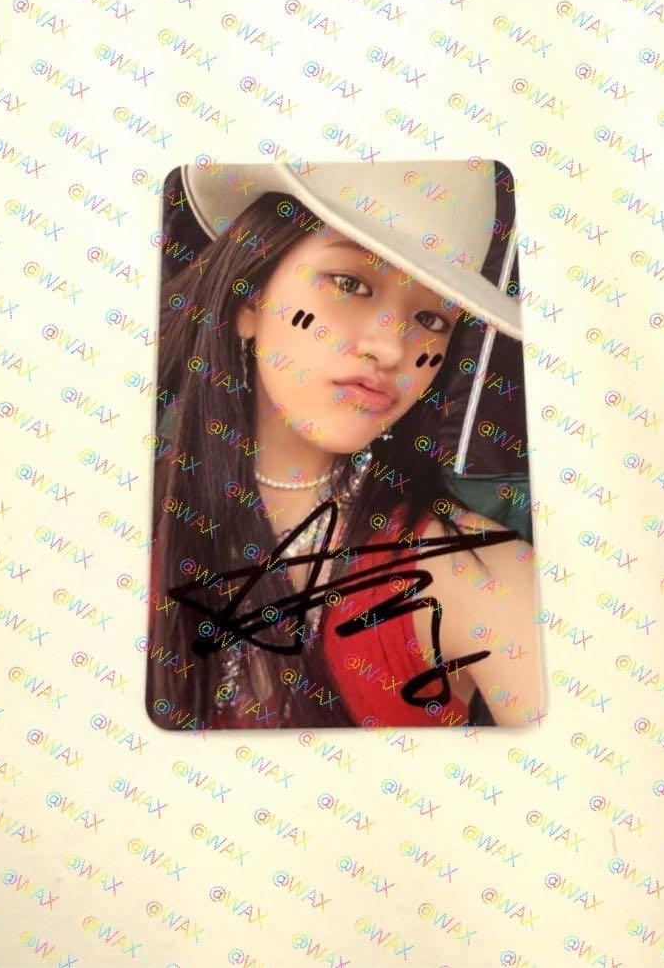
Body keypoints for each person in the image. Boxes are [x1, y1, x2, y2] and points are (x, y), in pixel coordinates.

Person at [146, 158, 543, 730]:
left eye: (432, 319)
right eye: (351, 284)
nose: (392, 347)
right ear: (249, 299)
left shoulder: (476, 574)